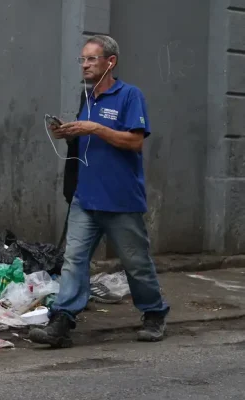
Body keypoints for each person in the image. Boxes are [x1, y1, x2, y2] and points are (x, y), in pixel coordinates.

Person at [29, 35, 169, 348]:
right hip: (86, 197)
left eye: (92, 59)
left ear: (110, 61)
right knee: (73, 260)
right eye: (83, 59)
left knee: (136, 263)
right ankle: (62, 320)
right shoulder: (88, 97)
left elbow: (134, 142)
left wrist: (93, 128)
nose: (85, 65)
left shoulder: (130, 95)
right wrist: (70, 133)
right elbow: (90, 144)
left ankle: (154, 313)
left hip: (120, 199)